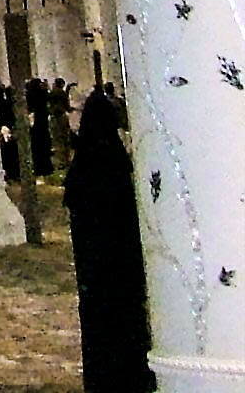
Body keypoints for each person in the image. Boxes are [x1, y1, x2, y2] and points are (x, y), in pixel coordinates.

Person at [64, 89, 155, 393]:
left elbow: (75, 205)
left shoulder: (83, 164)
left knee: (100, 327)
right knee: (125, 323)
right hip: (122, 264)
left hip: (93, 268)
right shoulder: (117, 160)